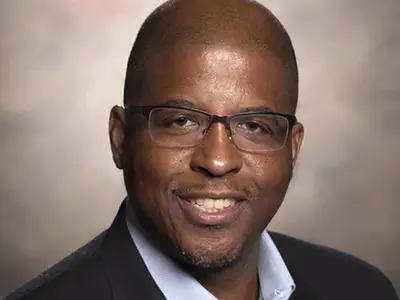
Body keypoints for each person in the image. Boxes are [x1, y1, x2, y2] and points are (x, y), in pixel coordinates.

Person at [5, 0, 398, 299]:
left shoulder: (362, 289)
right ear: (121, 138)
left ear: (292, 149)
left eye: (254, 126)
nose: (217, 161)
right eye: (181, 121)